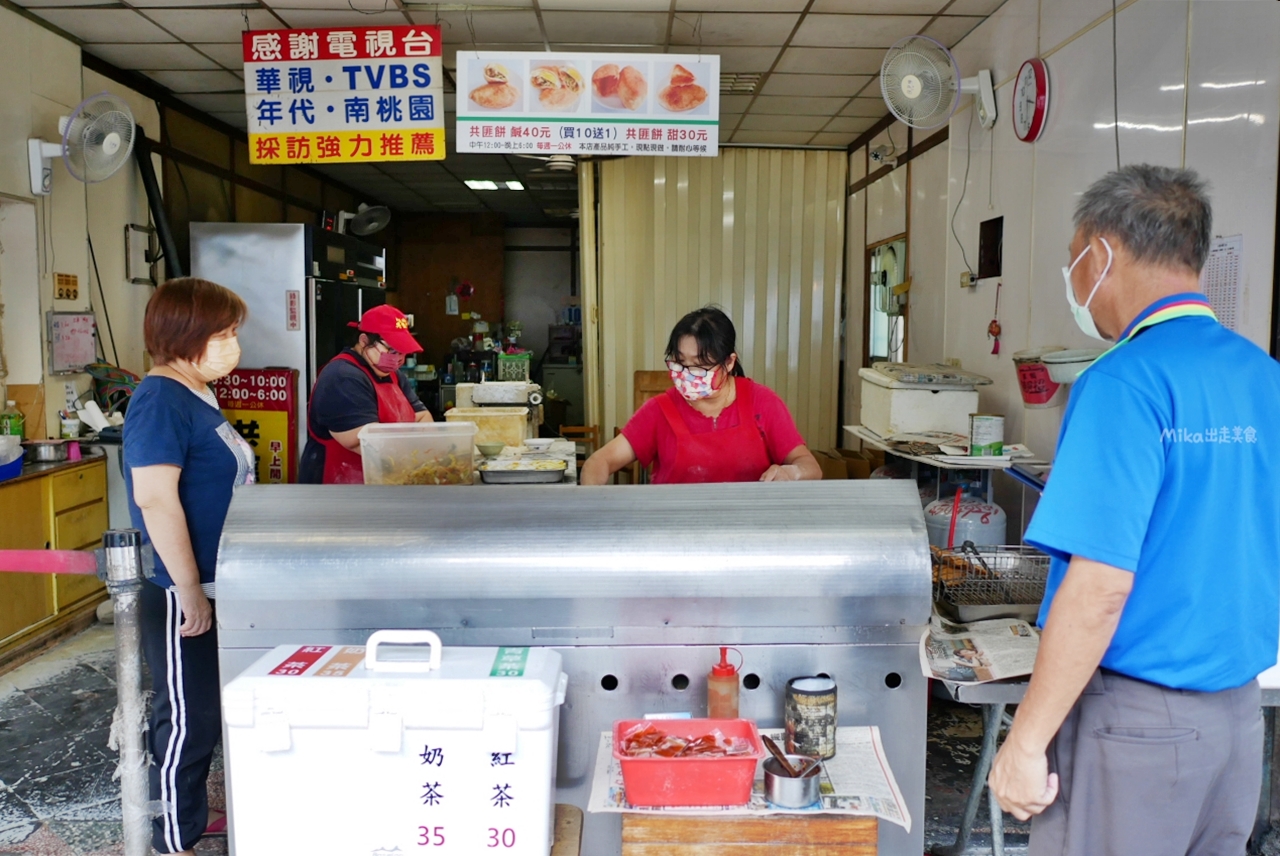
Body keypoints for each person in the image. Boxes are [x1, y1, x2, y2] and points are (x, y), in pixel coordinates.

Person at [987, 165, 1280, 855]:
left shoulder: (1124, 382)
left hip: (1138, 728)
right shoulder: (1264, 378)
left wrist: (1025, 744)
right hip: (1239, 723)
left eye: (1072, 260)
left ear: (1102, 254)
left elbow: (1099, 589)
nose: (1072, 278)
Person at [123, 277, 254, 855]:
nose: (232, 345)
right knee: (187, 721)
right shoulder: (159, 399)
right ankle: (172, 840)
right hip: (181, 588)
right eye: (223, 334)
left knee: (206, 713)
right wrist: (190, 591)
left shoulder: (195, 391)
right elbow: (155, 498)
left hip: (215, 578)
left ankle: (191, 821)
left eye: (233, 333)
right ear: (186, 335)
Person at [580, 307, 821, 485]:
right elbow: (599, 462)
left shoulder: (762, 403)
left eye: (699, 365)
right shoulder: (659, 410)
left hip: (749, 535)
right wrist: (593, 508)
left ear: (729, 362)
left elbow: (810, 467)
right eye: (680, 362)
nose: (686, 374)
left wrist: (791, 472)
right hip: (674, 537)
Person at [299, 304, 432, 484]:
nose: (398, 357)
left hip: (385, 482)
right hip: (340, 491)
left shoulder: (394, 376)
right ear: (363, 341)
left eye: (402, 352)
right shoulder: (343, 376)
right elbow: (364, 440)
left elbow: (422, 417)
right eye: (391, 350)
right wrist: (416, 449)